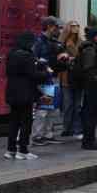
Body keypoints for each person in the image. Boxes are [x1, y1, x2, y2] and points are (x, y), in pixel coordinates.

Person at [4, 32, 51, 160]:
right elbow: (33, 75)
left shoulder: (12, 54)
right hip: (25, 93)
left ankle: (11, 149)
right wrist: (46, 73)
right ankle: (23, 150)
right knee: (26, 122)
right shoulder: (27, 55)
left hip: (12, 92)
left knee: (14, 121)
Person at [32, 16, 67, 146]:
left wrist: (63, 58)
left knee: (51, 108)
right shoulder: (39, 41)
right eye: (57, 27)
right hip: (45, 78)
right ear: (50, 27)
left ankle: (48, 134)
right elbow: (35, 59)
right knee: (43, 109)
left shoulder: (54, 41)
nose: (59, 30)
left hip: (54, 77)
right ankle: (38, 136)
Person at [79, 27, 97, 150]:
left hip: (93, 85)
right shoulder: (90, 49)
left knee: (92, 113)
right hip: (92, 86)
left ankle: (89, 139)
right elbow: (89, 68)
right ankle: (89, 141)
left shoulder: (93, 48)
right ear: (96, 37)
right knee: (91, 113)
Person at [59, 21, 83, 139]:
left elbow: (81, 56)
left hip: (78, 76)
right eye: (73, 26)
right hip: (66, 76)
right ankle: (66, 128)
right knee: (68, 104)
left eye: (77, 26)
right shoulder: (62, 43)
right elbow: (58, 58)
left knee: (77, 104)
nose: (76, 28)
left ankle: (76, 129)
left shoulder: (81, 42)